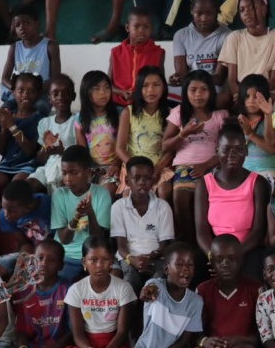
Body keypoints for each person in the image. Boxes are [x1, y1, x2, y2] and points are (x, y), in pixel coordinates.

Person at [195, 122, 269, 278]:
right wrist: (215, 257)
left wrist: (234, 257)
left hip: (247, 250)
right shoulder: (205, 184)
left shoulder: (258, 183)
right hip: (214, 251)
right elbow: (202, 230)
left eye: (238, 150)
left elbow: (258, 231)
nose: (232, 155)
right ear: (217, 151)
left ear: (246, 151)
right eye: (226, 150)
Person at [162, 69, 228, 244]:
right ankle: (187, 242)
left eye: (204, 90)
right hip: (185, 167)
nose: (198, 95)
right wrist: (184, 133)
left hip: (213, 165)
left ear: (211, 92)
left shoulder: (219, 116)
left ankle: (210, 242)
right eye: (193, 90)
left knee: (213, 199)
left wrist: (207, 165)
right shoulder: (178, 113)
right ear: (185, 92)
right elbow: (165, 145)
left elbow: (226, 149)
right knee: (180, 197)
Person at [110, 157, 174, 292]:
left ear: (153, 180)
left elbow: (164, 245)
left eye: (147, 178)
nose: (142, 183)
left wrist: (150, 257)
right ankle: (131, 312)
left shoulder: (162, 207)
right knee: (130, 281)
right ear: (127, 181)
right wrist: (133, 259)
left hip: (156, 257)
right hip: (128, 257)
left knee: (157, 282)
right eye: (136, 178)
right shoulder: (119, 207)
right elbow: (121, 246)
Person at [50, 145, 113, 281]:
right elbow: (64, 240)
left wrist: (90, 213)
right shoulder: (59, 195)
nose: (68, 178)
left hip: (93, 255)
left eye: (74, 173)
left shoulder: (101, 193)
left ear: (88, 173)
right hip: (65, 256)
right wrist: (76, 217)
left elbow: (97, 238)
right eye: (64, 173)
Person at [218, 0, 275, 103]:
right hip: (239, 91)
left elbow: (274, 81)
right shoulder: (234, 37)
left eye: (251, 7)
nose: (246, 12)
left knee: (269, 102)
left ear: (264, 9)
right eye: (242, 10)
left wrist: (252, 97)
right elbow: (231, 80)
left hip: (267, 91)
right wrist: (240, 97)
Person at [116, 66, 173, 199]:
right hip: (133, 166)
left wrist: (157, 169)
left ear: (163, 87)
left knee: (164, 191)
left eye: (156, 85)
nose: (150, 90)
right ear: (139, 89)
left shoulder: (170, 114)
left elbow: (171, 150)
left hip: (159, 166)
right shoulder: (128, 112)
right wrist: (136, 167)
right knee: (128, 195)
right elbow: (120, 148)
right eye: (145, 86)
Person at [0, 72, 43, 196]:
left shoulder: (38, 118)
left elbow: (29, 150)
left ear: (36, 94)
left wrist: (11, 126)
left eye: (30, 91)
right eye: (20, 90)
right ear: (13, 92)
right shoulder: (9, 115)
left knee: (14, 190)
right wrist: (5, 128)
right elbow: (0, 151)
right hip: (6, 164)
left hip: (26, 165)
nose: (25, 94)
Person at [170, 0, 230, 108]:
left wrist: (191, 79)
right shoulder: (181, 35)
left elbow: (219, 78)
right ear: (192, 11)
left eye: (209, 14)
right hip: (189, 86)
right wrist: (176, 79)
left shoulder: (227, 35)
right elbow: (181, 73)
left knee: (220, 96)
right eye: (199, 13)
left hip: (213, 87)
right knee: (164, 92)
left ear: (217, 12)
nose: (203, 18)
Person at [0, 5, 59, 114]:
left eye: (26, 23)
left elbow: (56, 77)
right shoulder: (14, 48)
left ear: (37, 24)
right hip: (19, 93)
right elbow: (4, 78)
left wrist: (36, 90)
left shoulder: (50, 46)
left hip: (42, 93)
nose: (21, 27)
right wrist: (17, 90)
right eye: (17, 25)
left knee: (38, 113)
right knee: (2, 113)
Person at [108, 8, 165, 110]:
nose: (141, 30)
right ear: (127, 27)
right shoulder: (116, 52)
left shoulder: (158, 53)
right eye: (136, 26)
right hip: (119, 104)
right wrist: (121, 92)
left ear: (151, 29)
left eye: (146, 27)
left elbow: (160, 83)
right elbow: (108, 83)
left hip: (146, 105)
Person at [74, 70, 119, 196]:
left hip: (114, 166)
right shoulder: (80, 118)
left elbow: (124, 144)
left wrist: (117, 164)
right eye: (97, 89)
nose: (103, 93)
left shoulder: (119, 114)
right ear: (86, 92)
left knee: (107, 191)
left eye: (106, 88)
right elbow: (82, 150)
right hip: (91, 167)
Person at [28, 74, 75, 194]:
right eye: (55, 93)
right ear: (49, 98)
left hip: (70, 167)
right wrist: (45, 151)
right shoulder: (44, 123)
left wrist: (62, 152)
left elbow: (82, 153)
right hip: (48, 167)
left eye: (66, 93)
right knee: (28, 186)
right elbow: (40, 159)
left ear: (73, 96)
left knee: (64, 183)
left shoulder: (77, 121)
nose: (60, 97)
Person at [235, 73, 275, 185]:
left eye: (256, 97)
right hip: (244, 172)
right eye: (247, 96)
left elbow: (273, 147)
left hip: (268, 172)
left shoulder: (273, 117)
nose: (251, 101)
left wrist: (250, 133)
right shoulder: (237, 120)